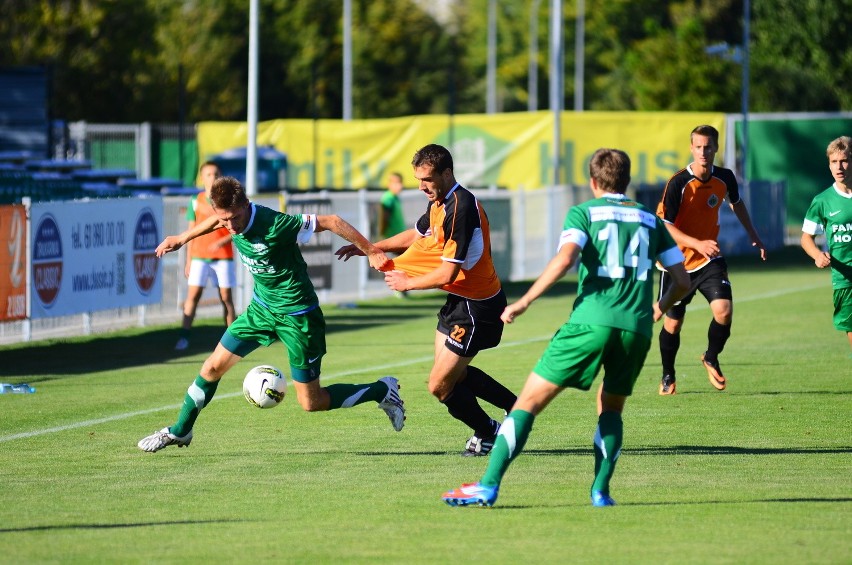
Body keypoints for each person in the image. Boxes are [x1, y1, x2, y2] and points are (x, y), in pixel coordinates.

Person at [441, 148, 690, 508]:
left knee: (526, 403)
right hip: (636, 327)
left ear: (592, 182)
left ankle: (488, 485)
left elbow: (567, 258)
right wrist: (658, 307)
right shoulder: (650, 218)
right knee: (610, 409)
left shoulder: (584, 213)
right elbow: (680, 279)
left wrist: (525, 301)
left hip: (590, 322)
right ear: (627, 180)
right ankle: (601, 492)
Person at [138, 176, 405, 452]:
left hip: (298, 317)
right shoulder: (228, 220)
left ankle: (382, 391)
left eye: (235, 218)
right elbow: (217, 220)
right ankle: (180, 431)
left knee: (311, 402)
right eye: (225, 219)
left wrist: (371, 250)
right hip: (261, 310)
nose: (230, 226)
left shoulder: (276, 224)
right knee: (212, 367)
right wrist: (182, 238)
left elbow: (332, 221)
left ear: (247, 205)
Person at [336, 144, 517, 456]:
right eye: (418, 179)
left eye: (428, 179)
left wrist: (408, 283)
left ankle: (489, 432)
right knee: (450, 376)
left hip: (478, 307)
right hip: (460, 301)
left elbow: (447, 272)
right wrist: (371, 247)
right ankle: (515, 410)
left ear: (446, 174)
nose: (421, 186)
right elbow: (417, 235)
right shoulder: (440, 202)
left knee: (439, 385)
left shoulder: (461, 208)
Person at [655, 124, 766, 395]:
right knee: (673, 323)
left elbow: (736, 203)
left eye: (709, 146)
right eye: (699, 146)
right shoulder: (679, 182)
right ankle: (668, 374)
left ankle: (711, 356)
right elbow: (664, 225)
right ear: (691, 148)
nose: (704, 151)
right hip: (676, 263)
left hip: (709, 260)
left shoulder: (725, 177)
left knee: (724, 311)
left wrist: (753, 234)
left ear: (716, 148)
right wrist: (697, 243)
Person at [174, 161, 237, 351]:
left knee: (226, 297)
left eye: (216, 174)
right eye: (209, 174)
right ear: (202, 177)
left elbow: (237, 229)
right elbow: (191, 232)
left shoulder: (228, 200)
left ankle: (232, 338)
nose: (213, 177)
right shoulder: (196, 200)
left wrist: (222, 242)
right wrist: (188, 260)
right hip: (200, 256)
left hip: (223, 257)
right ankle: (184, 337)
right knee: (193, 296)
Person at [801, 136, 852, 352]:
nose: (839, 167)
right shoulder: (822, 201)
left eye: (844, 160)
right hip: (845, 280)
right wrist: (817, 255)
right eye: (834, 162)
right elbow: (806, 238)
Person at [378, 171, 407, 240]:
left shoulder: (395, 197)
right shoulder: (388, 198)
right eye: (396, 183)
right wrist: (381, 235)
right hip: (391, 238)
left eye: (400, 183)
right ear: (389, 184)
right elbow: (384, 217)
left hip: (398, 237)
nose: (399, 186)